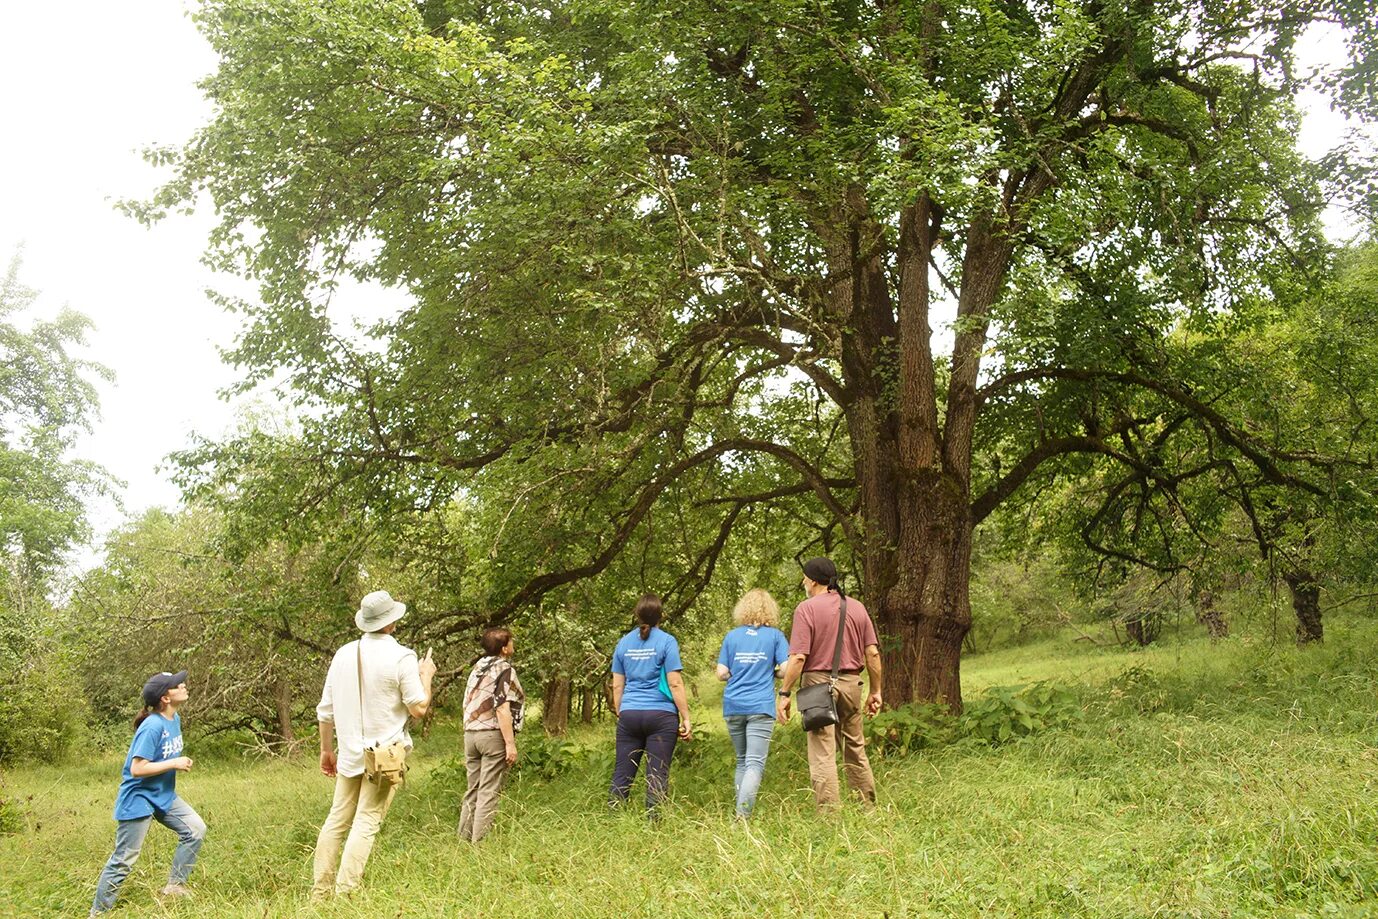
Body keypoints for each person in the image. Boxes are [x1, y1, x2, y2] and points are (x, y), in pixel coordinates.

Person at [312, 590, 435, 899]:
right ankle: (346, 892)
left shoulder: (344, 654)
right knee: (366, 821)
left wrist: (327, 750)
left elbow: (325, 710)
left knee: (337, 820)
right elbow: (419, 709)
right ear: (392, 621)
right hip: (386, 755)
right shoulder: (402, 656)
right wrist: (426, 675)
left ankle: (320, 892)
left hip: (350, 752)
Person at [90, 670, 206, 916]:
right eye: (177, 685)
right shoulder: (152, 726)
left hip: (162, 794)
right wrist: (174, 764)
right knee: (124, 859)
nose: (184, 686)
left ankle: (174, 886)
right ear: (165, 697)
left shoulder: (173, 719)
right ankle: (98, 913)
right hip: (138, 799)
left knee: (195, 829)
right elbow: (137, 768)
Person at [776, 557, 883, 811]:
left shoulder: (806, 608)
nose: (803, 581)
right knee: (855, 746)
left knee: (822, 751)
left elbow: (799, 657)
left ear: (812, 580)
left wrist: (784, 692)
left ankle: (829, 814)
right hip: (851, 684)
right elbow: (873, 654)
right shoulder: (856, 607)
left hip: (817, 685)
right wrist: (876, 691)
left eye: (804, 577)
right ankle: (867, 807)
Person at [608, 593, 692, 814]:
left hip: (630, 713)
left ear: (637, 616)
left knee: (622, 772)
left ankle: (613, 817)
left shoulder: (623, 643)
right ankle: (654, 824)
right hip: (661, 716)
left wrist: (621, 711)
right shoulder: (667, 641)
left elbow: (617, 685)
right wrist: (686, 718)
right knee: (657, 772)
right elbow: (675, 683)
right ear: (660, 616)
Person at [716, 588, 790, 818]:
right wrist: (773, 672)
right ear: (770, 610)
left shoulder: (732, 636)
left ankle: (739, 811)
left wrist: (735, 674)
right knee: (754, 764)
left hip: (733, 705)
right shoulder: (775, 636)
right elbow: (787, 669)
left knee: (741, 761)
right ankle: (742, 817)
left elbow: (721, 673)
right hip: (760, 706)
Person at [459, 626, 524, 842]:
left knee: (473, 789)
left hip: (470, 734)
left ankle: (463, 840)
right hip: (491, 734)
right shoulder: (504, 669)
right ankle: (479, 845)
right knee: (488, 791)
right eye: (511, 642)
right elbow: (501, 707)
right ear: (504, 648)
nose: (513, 645)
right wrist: (510, 743)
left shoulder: (477, 667)